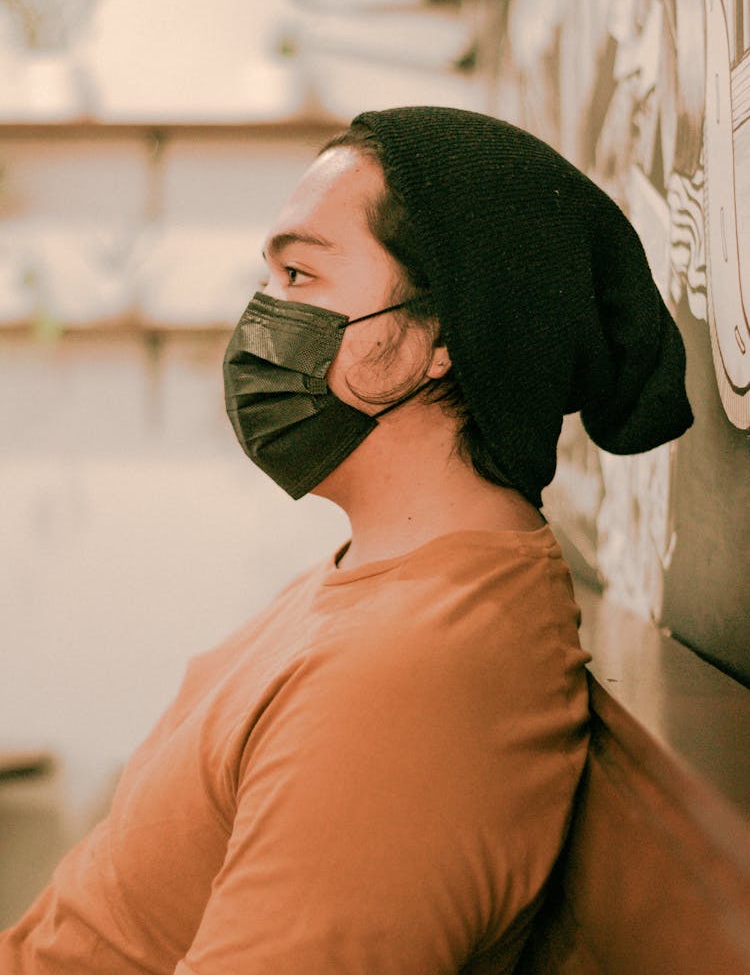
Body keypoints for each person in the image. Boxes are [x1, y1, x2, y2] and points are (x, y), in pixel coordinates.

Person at [0, 106, 693, 975]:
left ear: (443, 332)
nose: (258, 320)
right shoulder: (378, 584)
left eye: (300, 275)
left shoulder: (415, 677)